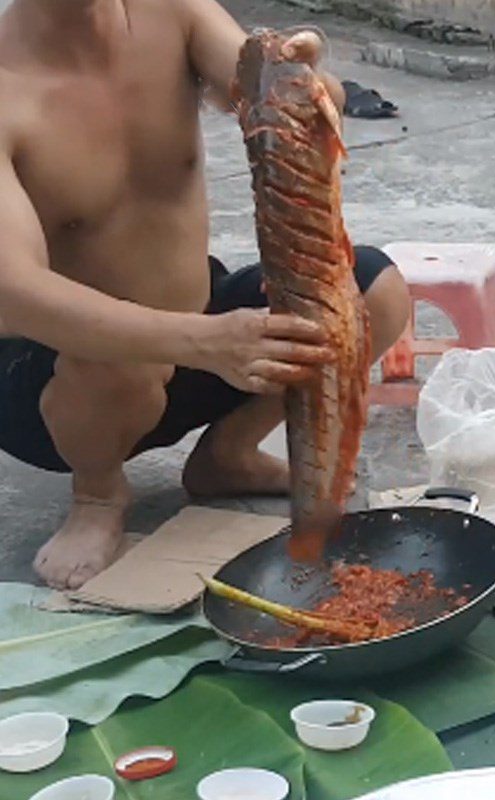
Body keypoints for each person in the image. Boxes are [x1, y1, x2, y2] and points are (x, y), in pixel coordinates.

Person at [0, 0, 411, 590]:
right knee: (118, 358)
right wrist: (211, 342)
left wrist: (309, 85)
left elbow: (266, 86)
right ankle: (98, 493)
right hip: (60, 385)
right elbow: (17, 295)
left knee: (373, 292)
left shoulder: (173, 12)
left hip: (198, 337)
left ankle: (229, 453)